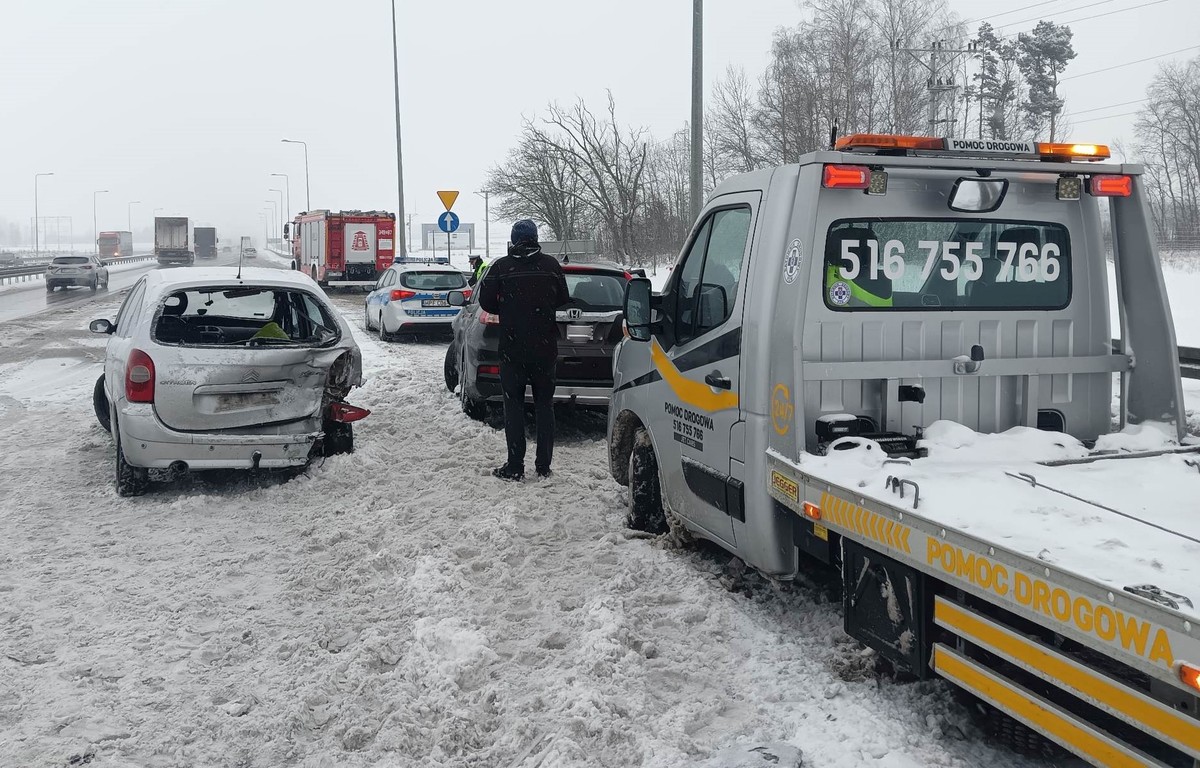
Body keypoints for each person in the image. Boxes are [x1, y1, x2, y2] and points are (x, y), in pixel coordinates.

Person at [477, 220, 569, 481]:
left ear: (513, 239)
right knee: (544, 406)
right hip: (544, 348)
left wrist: (510, 310)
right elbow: (563, 297)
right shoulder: (550, 266)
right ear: (535, 238)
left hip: (512, 349)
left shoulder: (501, 267)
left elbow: (485, 301)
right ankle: (543, 466)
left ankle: (515, 466)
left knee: (513, 407)